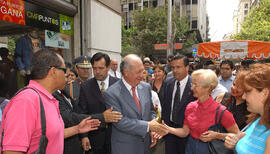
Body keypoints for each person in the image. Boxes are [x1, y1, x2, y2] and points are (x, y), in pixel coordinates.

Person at [0, 49, 100, 154]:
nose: (67, 75)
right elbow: (12, 150)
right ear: (53, 72)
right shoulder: (26, 100)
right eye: (64, 70)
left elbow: (49, 134)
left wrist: (77, 129)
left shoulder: (48, 98)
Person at [104, 54, 168, 154]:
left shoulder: (146, 87)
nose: (142, 76)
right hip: (125, 148)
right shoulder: (112, 93)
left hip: (146, 146)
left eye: (143, 71)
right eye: (138, 72)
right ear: (126, 72)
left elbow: (151, 111)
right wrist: (148, 126)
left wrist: (153, 128)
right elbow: (120, 122)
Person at [164, 69, 239, 154]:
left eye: (196, 85)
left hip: (211, 149)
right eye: (192, 84)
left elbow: (238, 136)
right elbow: (185, 132)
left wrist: (217, 135)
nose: (192, 88)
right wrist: (168, 129)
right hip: (190, 147)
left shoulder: (221, 111)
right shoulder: (190, 107)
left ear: (208, 88)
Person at [79, 52, 122, 154]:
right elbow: (82, 114)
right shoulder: (85, 87)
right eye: (94, 68)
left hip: (116, 138)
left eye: (101, 68)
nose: (97, 72)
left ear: (108, 67)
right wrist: (84, 136)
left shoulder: (119, 84)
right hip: (95, 139)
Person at [225, 64, 270, 154]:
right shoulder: (256, 120)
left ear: (265, 93)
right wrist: (237, 143)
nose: (244, 97)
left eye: (248, 91)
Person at [161, 55, 196, 154]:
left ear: (187, 68)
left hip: (188, 134)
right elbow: (165, 107)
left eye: (178, 67)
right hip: (169, 132)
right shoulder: (168, 83)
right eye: (173, 67)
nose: (175, 70)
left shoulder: (194, 85)